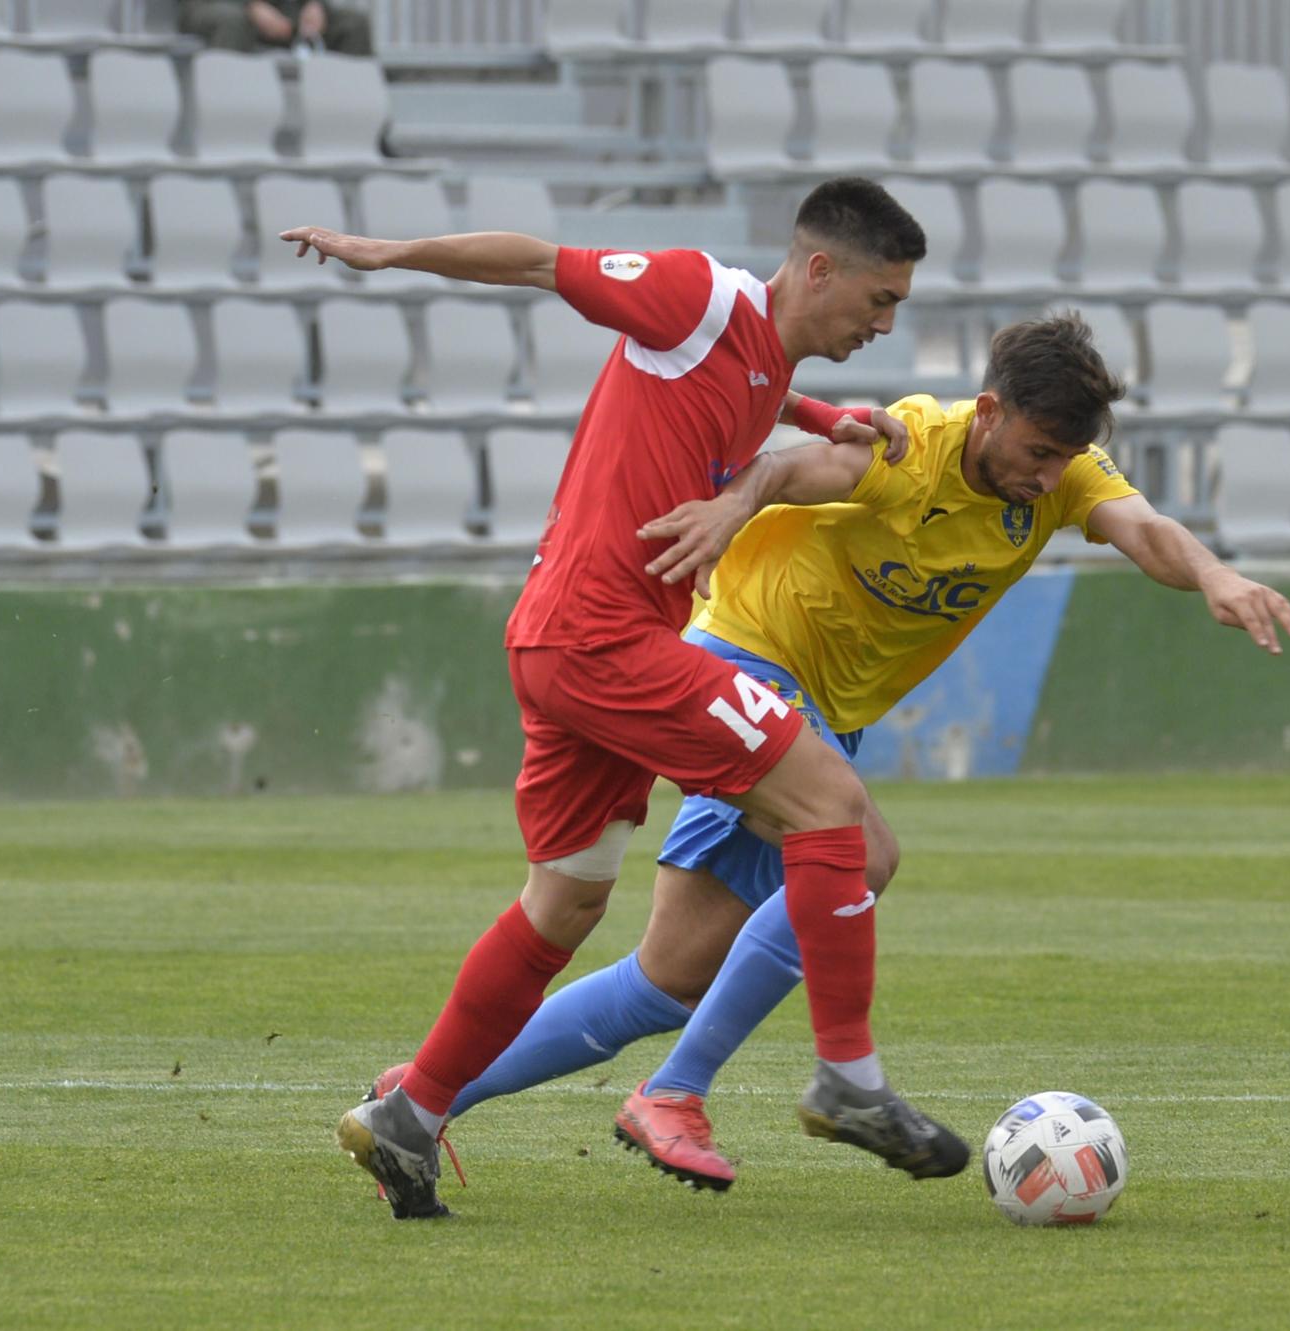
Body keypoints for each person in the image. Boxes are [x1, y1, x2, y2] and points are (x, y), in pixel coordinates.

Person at [372, 312, 1290, 1192]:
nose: (1047, 473)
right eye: (1035, 451)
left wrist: (1215, 573)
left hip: (823, 712)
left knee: (666, 979)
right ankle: (679, 1092)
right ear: (988, 413)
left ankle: (414, 1099)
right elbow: (790, 468)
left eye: (1063, 455)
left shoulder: (1066, 474)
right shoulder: (908, 447)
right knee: (862, 846)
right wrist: (732, 509)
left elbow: (1145, 527)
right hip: (743, 662)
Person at [279, 177, 963, 1221]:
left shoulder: (762, 354)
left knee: (565, 900)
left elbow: (752, 390)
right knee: (833, 809)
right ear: (817, 269)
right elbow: (540, 261)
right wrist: (390, 253)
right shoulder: (698, 298)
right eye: (879, 301)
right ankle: (844, 1074)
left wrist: (823, 412)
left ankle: (411, 1112)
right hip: (601, 638)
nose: (884, 324)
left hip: (567, 643)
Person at [178, 0, 374, 56]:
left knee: (354, 25)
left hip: (286, 9)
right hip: (215, 6)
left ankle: (368, 130)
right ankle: (222, 127)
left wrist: (315, 5)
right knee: (233, 23)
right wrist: (250, 5)